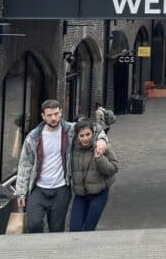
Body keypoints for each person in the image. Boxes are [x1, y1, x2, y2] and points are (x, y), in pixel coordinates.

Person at [15, 99, 108, 234]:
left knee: (57, 229)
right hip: (38, 188)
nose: (53, 118)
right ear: (43, 116)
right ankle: (38, 250)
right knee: (34, 223)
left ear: (61, 113)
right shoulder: (33, 137)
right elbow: (25, 164)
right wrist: (21, 192)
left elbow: (96, 129)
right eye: (49, 115)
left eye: (56, 114)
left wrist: (101, 140)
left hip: (61, 189)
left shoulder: (70, 130)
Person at [68, 120, 119, 232]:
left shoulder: (101, 146)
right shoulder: (72, 148)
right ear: (76, 136)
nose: (85, 138)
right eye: (81, 135)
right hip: (80, 195)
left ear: (93, 133)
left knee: (88, 229)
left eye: (88, 134)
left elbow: (114, 168)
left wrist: (99, 159)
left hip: (99, 193)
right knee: (74, 229)